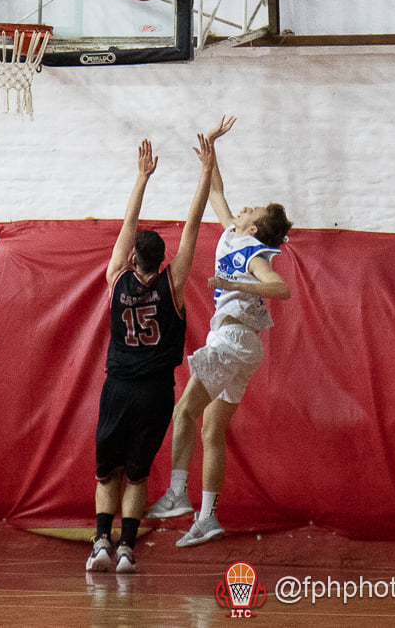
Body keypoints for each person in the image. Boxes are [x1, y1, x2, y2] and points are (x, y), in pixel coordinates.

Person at [145, 118, 293, 548]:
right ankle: (208, 517)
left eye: (251, 211)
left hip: (231, 342)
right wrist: (211, 155)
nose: (243, 209)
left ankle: (176, 493)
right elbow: (217, 194)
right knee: (211, 429)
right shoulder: (234, 232)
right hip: (240, 346)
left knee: (184, 412)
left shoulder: (253, 252)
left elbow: (280, 288)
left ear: (253, 227)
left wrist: (234, 285)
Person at [87, 131, 216, 575]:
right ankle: (126, 550)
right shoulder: (173, 285)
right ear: (162, 260)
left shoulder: (115, 279)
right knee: (137, 474)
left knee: (108, 473)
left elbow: (126, 228)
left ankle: (100, 543)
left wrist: (142, 178)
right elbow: (194, 227)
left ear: (131, 259)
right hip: (156, 392)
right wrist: (205, 171)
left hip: (118, 388)